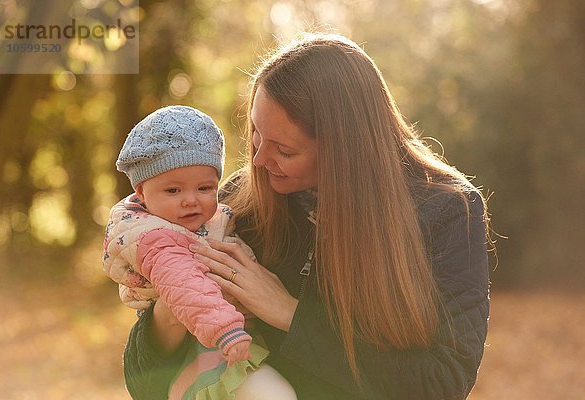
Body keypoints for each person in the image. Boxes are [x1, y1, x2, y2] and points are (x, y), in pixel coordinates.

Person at [123, 33, 491, 400]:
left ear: (343, 150)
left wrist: (289, 315)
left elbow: (442, 383)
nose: (258, 160)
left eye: (284, 150)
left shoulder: (446, 212)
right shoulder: (235, 205)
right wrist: (171, 314)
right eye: (255, 134)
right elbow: (144, 384)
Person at [103, 105, 296, 400]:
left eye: (205, 188)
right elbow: (185, 285)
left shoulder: (204, 221)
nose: (190, 201)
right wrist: (226, 331)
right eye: (173, 191)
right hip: (207, 348)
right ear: (141, 193)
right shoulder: (155, 238)